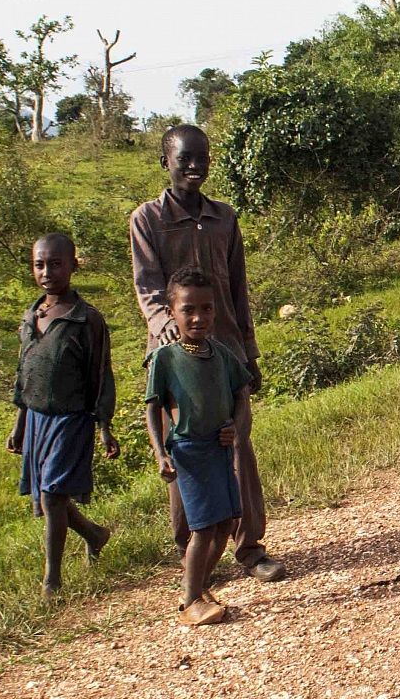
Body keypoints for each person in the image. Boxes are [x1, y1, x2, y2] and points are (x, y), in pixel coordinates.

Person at [130, 124, 285, 582]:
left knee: (236, 443)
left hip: (226, 354)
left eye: (202, 158)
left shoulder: (224, 218)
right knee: (185, 452)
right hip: (175, 359)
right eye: (184, 160)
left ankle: (251, 547)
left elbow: (237, 288)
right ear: (166, 163)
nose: (194, 167)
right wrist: (170, 337)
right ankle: (192, 554)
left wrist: (249, 351)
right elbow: (148, 288)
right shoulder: (147, 220)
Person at [6, 233, 119, 598]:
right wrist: (19, 423)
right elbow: (24, 374)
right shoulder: (31, 315)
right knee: (47, 494)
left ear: (73, 265)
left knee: (54, 496)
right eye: (39, 264)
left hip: (72, 419)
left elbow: (101, 373)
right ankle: (95, 534)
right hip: (38, 419)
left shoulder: (86, 319)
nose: (47, 271)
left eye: (55, 263)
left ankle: (51, 581)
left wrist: (104, 426)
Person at [145, 268, 250, 625]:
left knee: (225, 524)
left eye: (206, 309)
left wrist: (234, 427)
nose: (198, 317)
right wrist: (161, 453)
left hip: (219, 448)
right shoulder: (165, 358)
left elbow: (242, 393)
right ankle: (190, 600)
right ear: (171, 311)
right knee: (203, 527)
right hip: (189, 451)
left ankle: (202, 587)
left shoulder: (221, 354)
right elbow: (153, 407)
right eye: (188, 309)